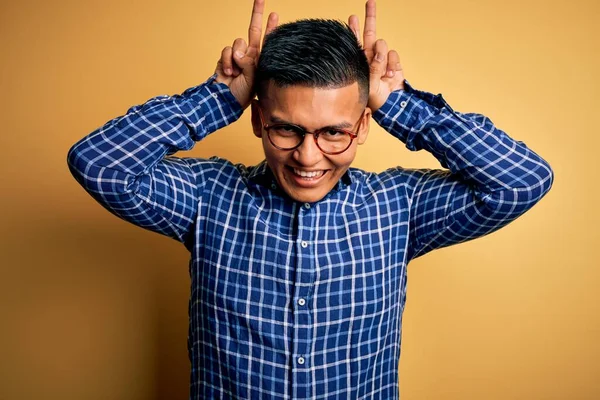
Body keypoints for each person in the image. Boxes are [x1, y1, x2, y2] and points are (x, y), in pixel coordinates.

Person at [66, 0, 554, 398]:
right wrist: (218, 97)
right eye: (286, 129)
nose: (307, 156)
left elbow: (520, 181)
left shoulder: (397, 207)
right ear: (258, 120)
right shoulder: (207, 197)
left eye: (334, 132)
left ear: (363, 125)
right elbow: (100, 164)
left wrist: (400, 104)